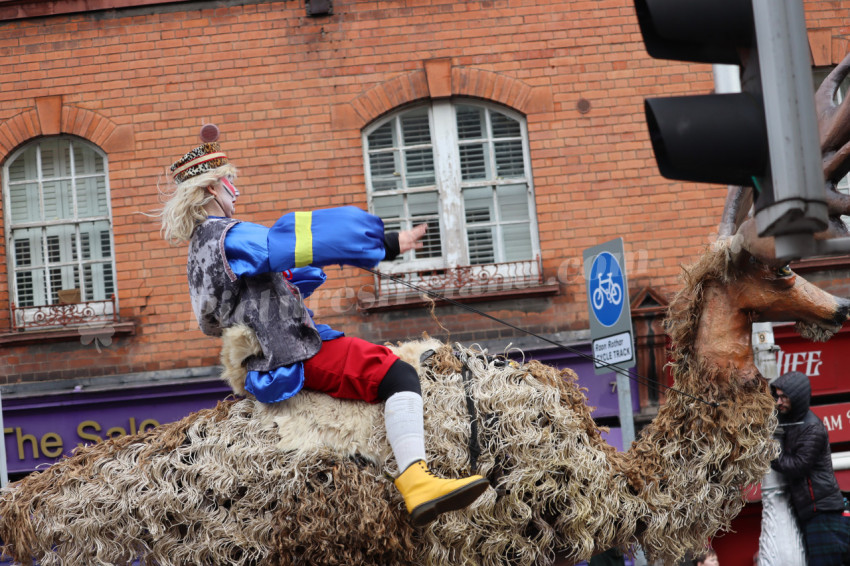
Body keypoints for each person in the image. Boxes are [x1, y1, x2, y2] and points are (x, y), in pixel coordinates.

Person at [161, 126, 489, 526]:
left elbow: (223, 312)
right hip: (289, 352)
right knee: (398, 373)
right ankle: (417, 480)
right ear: (213, 189)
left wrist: (286, 282)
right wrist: (380, 243)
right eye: (230, 182)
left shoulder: (199, 250)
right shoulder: (229, 235)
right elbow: (295, 239)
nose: (236, 192)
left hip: (258, 356)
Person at [771, 371, 850, 565]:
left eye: (784, 397)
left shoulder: (811, 428)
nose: (779, 401)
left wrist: (771, 452)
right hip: (814, 512)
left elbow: (797, 466)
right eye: (777, 396)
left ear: (796, 397)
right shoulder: (791, 421)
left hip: (823, 513)